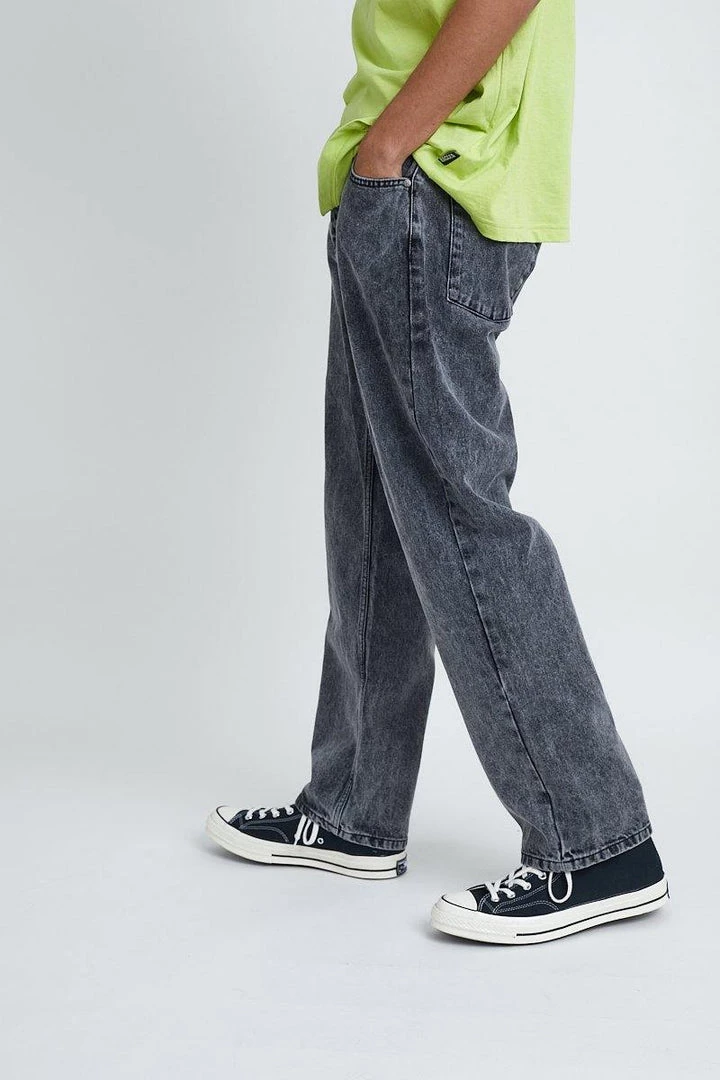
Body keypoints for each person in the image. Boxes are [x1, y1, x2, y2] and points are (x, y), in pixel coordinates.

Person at [206, 0, 668, 944]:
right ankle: (354, 808)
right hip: (405, 184)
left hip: (430, 182)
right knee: (374, 503)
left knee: (460, 512)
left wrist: (390, 148)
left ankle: (598, 841)